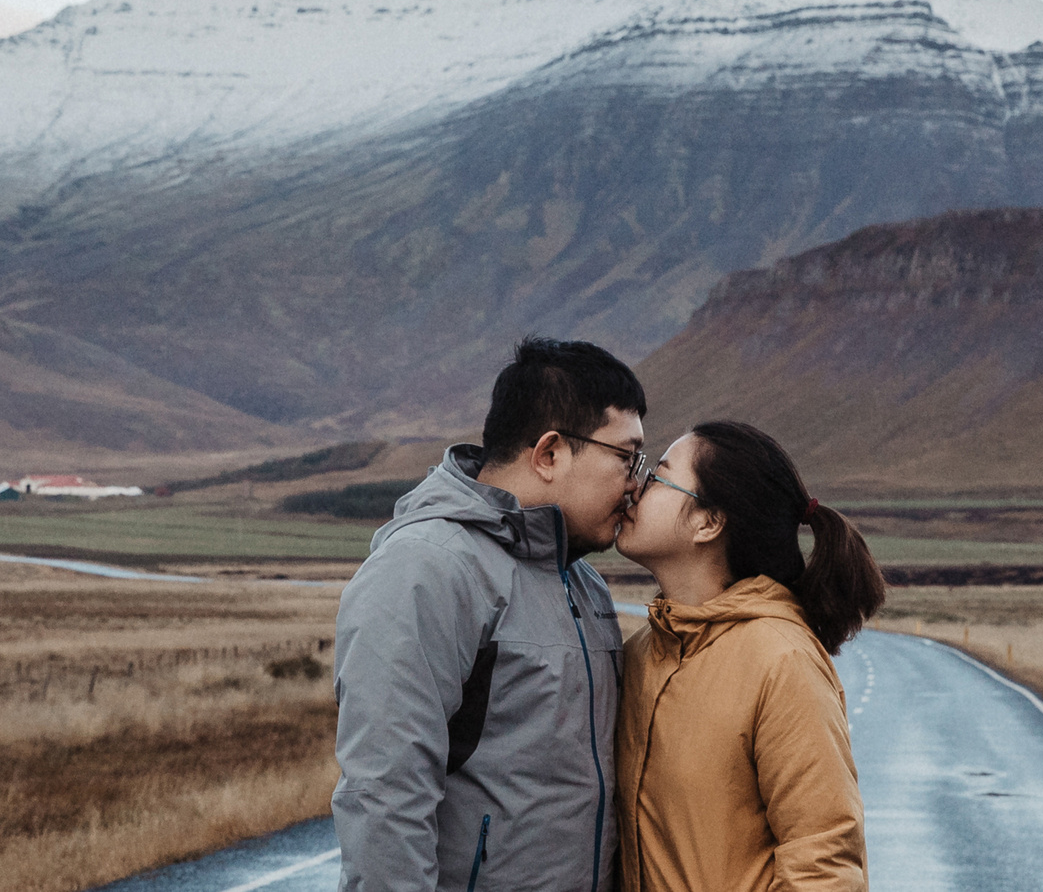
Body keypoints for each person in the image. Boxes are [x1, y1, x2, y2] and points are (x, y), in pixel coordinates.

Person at [333, 337, 647, 892]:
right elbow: (384, 797)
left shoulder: (583, 581)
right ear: (550, 453)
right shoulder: (426, 568)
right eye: (625, 456)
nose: (635, 482)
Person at [611, 420, 886, 892]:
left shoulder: (782, 661)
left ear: (709, 522)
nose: (634, 488)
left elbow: (823, 865)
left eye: (657, 477)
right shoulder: (641, 655)